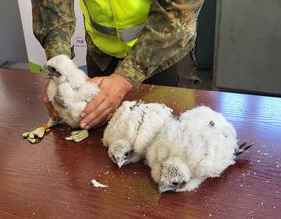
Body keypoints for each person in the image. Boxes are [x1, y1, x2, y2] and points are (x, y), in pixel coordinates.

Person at [31, 0, 204, 129]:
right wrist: (60, 68)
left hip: (164, 56)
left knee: (173, 139)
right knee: (98, 146)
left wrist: (126, 76)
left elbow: (178, 11)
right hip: (102, 55)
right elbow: (50, 6)